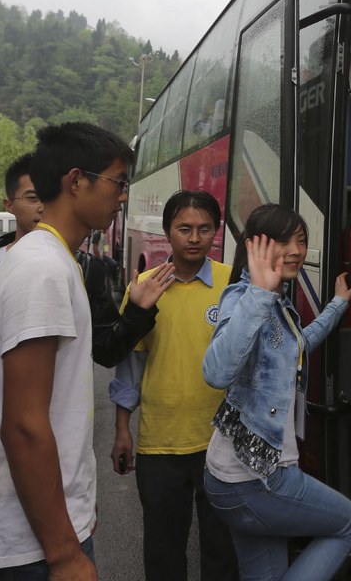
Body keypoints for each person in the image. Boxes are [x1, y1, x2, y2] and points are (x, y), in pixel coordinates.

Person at [0, 122, 133, 579]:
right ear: (76, 181)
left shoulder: (50, 261)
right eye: (118, 182)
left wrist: (77, 506)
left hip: (39, 532)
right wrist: (65, 552)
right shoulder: (42, 270)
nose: (123, 196)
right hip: (25, 548)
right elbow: (24, 426)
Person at [202, 203, 351, 581]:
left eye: (301, 241)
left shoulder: (275, 302)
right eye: (282, 241)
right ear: (255, 246)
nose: (295, 251)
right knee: (348, 523)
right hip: (254, 480)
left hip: (235, 478)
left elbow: (297, 347)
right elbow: (216, 371)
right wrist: (259, 292)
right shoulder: (244, 297)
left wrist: (337, 305)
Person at [110, 190, 238, 581]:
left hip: (221, 442)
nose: (195, 238)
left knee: (223, 552)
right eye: (185, 228)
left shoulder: (233, 283)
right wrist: (122, 430)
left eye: (204, 229)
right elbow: (130, 367)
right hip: (160, 444)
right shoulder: (144, 288)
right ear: (167, 232)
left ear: (216, 232)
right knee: (163, 553)